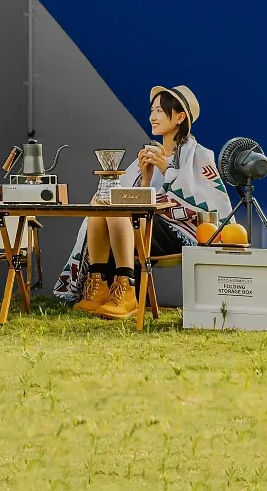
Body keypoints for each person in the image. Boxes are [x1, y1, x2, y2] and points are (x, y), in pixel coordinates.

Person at [53, 85, 232, 319]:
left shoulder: (199, 156)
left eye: (159, 110)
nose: (152, 116)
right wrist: (146, 176)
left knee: (119, 212)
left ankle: (127, 289)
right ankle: (99, 285)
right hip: (145, 223)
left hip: (181, 231)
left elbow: (206, 203)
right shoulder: (150, 154)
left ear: (180, 117)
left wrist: (166, 168)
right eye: (152, 110)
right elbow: (135, 198)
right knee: (101, 203)